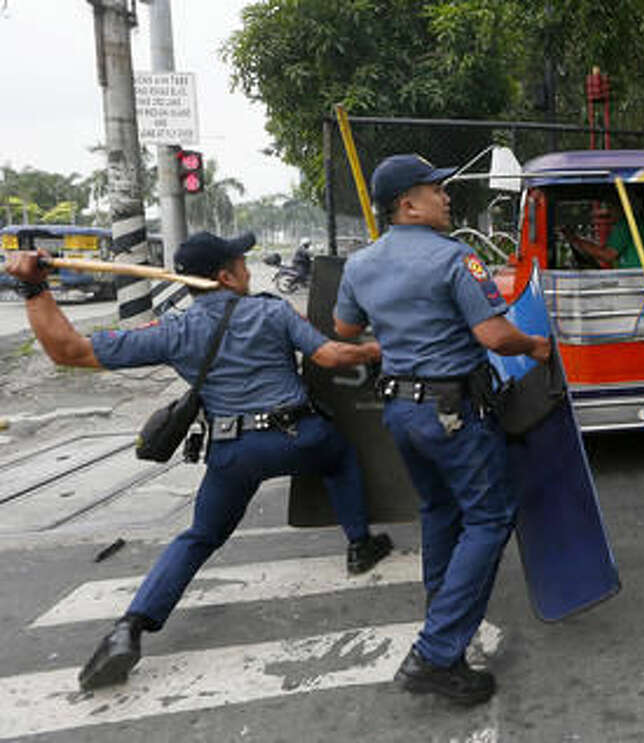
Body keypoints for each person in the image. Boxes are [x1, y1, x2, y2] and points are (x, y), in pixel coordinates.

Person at [4, 231, 392, 692]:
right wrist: (373, 349)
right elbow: (331, 355)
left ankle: (129, 627)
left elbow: (68, 351)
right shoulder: (271, 310)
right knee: (339, 457)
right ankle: (359, 546)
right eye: (242, 263)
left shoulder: (175, 329)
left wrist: (33, 289)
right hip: (301, 436)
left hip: (235, 453)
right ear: (226, 277)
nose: (249, 269)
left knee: (201, 536)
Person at [334, 153, 551, 706]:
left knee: (438, 510)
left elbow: (345, 327)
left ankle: (443, 610)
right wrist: (536, 346)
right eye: (437, 190)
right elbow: (495, 336)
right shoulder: (456, 258)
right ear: (408, 203)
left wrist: (402, 332)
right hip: (453, 413)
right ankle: (437, 651)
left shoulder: (361, 263)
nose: (447, 197)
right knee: (490, 516)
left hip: (401, 413)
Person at [561, 197, 644, 269]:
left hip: (635, 276)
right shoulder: (638, 222)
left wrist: (575, 240)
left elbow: (607, 254)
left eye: (610, 208)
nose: (610, 212)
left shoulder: (625, 224)